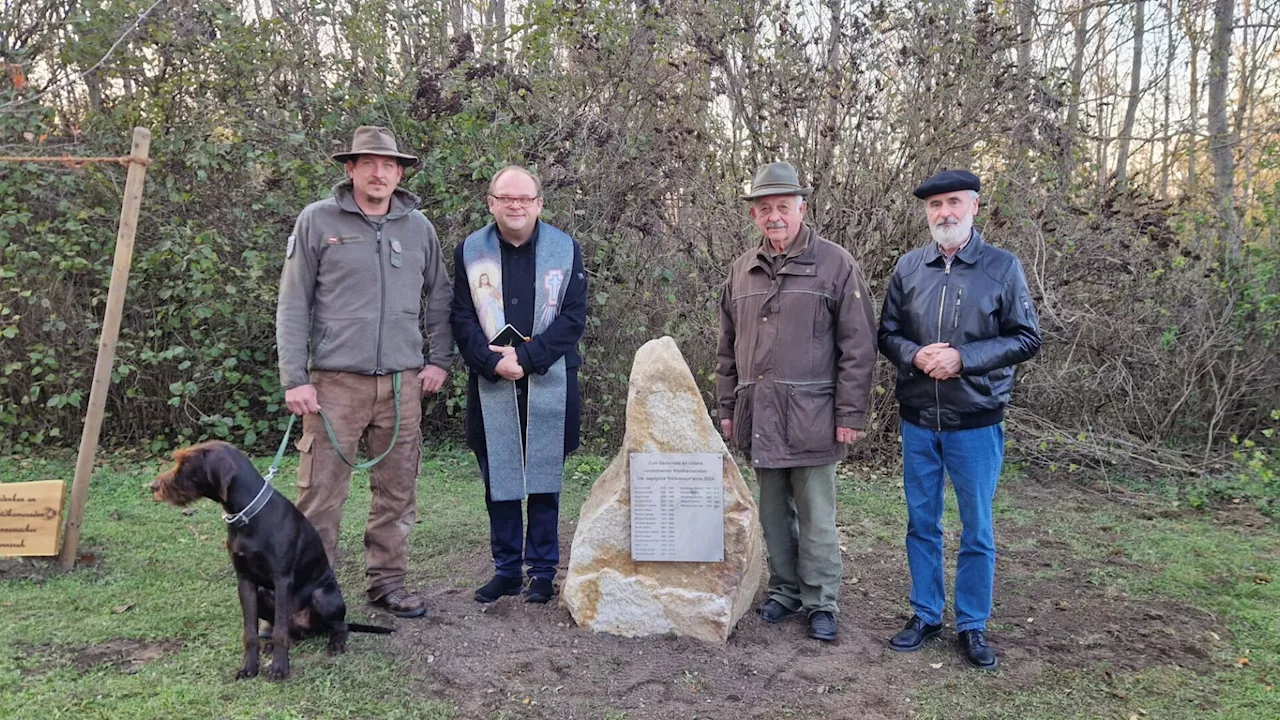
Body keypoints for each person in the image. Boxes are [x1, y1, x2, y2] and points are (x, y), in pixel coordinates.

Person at [276, 125, 453, 618]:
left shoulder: (419, 228)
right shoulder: (317, 221)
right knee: (320, 497)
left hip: (402, 385)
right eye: (369, 163)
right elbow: (293, 303)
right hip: (334, 385)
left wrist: (439, 359)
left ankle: (388, 583)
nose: (380, 173)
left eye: (389, 165)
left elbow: (439, 297)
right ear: (350, 168)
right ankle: (308, 599)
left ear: (400, 173)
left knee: (398, 491)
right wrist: (296, 378)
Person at [877, 169, 1041, 669]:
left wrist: (964, 359)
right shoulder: (908, 268)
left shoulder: (1001, 268)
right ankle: (925, 614)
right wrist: (915, 355)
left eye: (953, 202)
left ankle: (972, 625)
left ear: (974, 206)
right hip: (919, 417)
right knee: (921, 522)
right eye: (934, 206)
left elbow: (1026, 338)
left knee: (976, 527)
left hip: (977, 419)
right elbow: (886, 333)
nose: (944, 212)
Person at [716, 162, 877, 642]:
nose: (774, 216)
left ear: (801, 208)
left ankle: (820, 600)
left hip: (815, 417)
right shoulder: (741, 271)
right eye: (764, 208)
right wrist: (727, 408)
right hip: (759, 412)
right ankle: (784, 591)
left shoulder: (835, 264)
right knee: (771, 514)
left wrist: (850, 414)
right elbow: (727, 348)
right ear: (753, 216)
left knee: (817, 516)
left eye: (783, 207)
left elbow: (859, 346)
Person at [450, 165, 587, 605]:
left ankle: (543, 571)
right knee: (499, 479)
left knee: (545, 481)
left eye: (524, 199)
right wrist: (492, 362)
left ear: (539, 204)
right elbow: (461, 316)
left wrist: (526, 360)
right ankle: (507, 570)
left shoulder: (565, 250)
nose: (515, 205)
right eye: (506, 198)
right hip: (492, 381)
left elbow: (572, 319)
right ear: (491, 202)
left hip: (549, 379)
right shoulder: (471, 251)